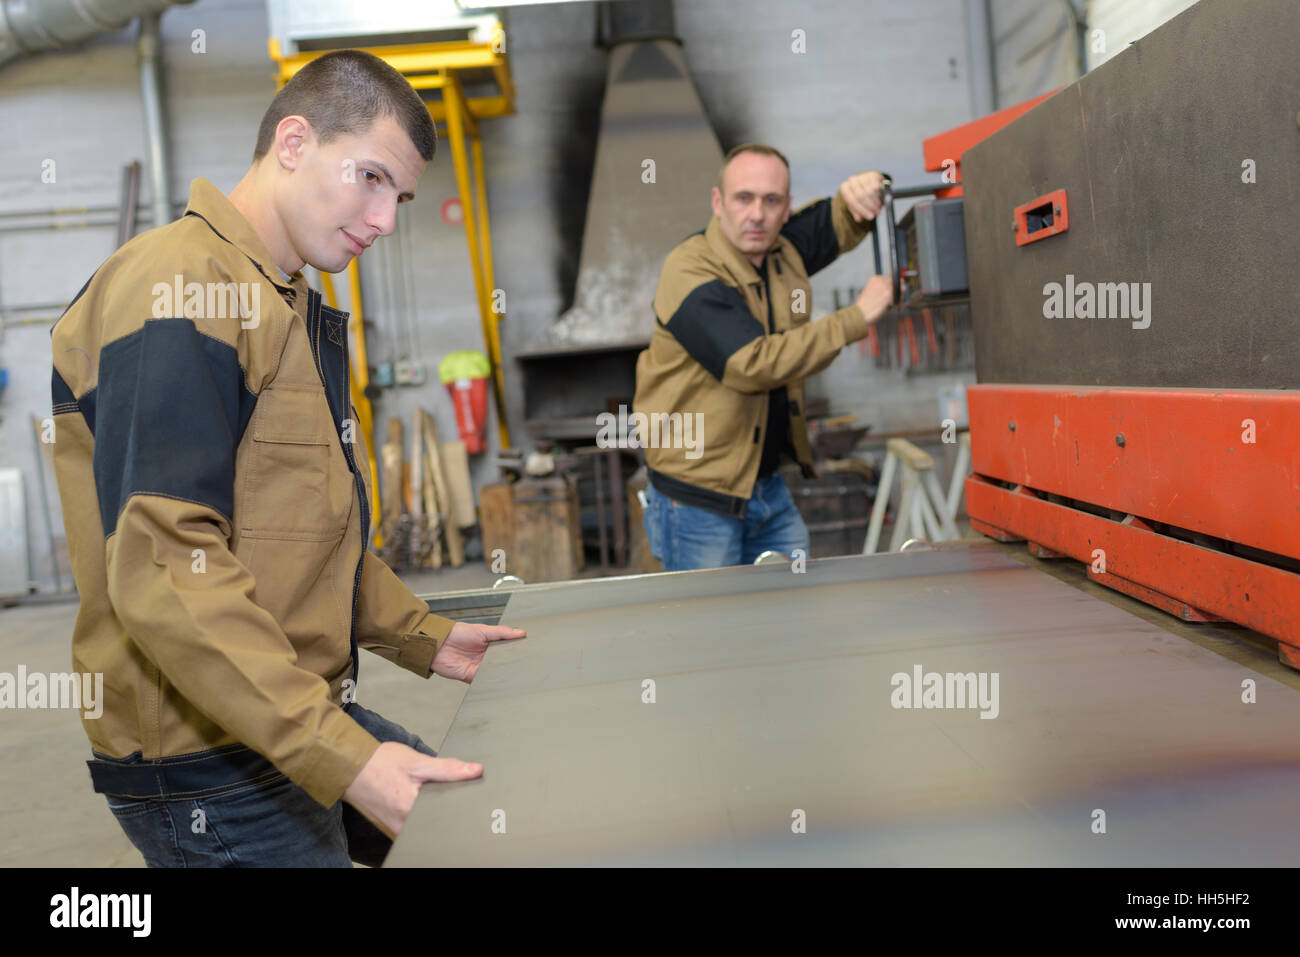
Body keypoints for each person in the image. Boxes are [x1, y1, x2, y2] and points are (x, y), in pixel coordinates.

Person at [48, 50, 523, 867]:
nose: (383, 221)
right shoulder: (180, 286)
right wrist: (343, 755)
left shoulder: (285, 296)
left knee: (470, 824)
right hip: (206, 756)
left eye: (399, 197)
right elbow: (166, 560)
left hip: (276, 708)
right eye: (370, 178)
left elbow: (306, 527)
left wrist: (423, 634)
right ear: (294, 143)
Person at [633, 143, 894, 571]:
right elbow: (749, 364)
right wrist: (856, 318)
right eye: (744, 198)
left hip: (768, 486)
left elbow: (839, 220)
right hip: (697, 497)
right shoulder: (690, 270)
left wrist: (869, 186)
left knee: (791, 617)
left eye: (771, 200)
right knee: (709, 631)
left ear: (786, 207)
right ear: (718, 202)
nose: (757, 214)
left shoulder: (781, 250)